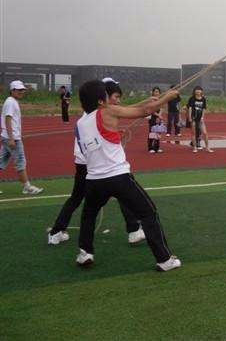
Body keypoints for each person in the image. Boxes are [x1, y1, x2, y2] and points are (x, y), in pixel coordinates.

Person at [74, 79, 181, 271]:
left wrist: (147, 100)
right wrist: (167, 97)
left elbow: (126, 109)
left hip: (94, 181)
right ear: (101, 100)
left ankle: (85, 253)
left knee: (88, 215)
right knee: (148, 213)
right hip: (118, 177)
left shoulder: (81, 123)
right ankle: (164, 259)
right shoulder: (107, 112)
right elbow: (144, 112)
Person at [48, 79, 144, 246]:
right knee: (116, 194)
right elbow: (129, 111)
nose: (117, 100)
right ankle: (133, 230)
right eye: (113, 96)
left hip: (87, 163)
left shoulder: (93, 113)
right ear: (102, 97)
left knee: (78, 198)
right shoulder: (99, 114)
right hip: (93, 164)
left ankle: (57, 232)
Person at [0, 81, 43, 195]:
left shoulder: (11, 101)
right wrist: (11, 138)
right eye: (19, 90)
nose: (21, 92)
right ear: (12, 90)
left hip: (7, 136)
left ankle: (27, 187)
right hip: (11, 137)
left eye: (22, 90)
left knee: (1, 161)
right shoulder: (11, 102)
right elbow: (8, 119)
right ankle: (27, 187)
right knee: (20, 161)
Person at [187, 86, 213, 153]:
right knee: (193, 133)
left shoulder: (203, 99)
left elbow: (204, 108)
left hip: (200, 118)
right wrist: (189, 117)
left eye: (199, 91)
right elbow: (190, 108)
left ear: (201, 92)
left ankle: (207, 147)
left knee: (205, 133)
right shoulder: (192, 98)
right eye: (197, 90)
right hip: (193, 118)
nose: (198, 92)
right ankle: (195, 147)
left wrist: (202, 117)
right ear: (194, 91)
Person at [147, 87, 162, 152]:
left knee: (158, 132)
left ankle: (157, 147)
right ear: (153, 92)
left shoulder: (160, 100)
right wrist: (158, 115)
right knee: (152, 132)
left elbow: (162, 108)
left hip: (159, 118)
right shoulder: (151, 100)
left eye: (158, 92)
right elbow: (151, 110)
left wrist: (160, 115)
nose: (157, 93)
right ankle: (150, 148)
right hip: (153, 118)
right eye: (155, 91)